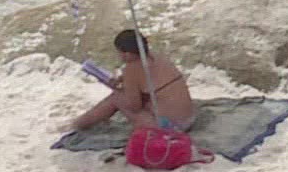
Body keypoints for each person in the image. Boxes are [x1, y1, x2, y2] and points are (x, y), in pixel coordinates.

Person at [66, 29, 195, 132]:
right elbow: (150, 82)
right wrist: (124, 80)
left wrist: (116, 87)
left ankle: (78, 124)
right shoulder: (155, 57)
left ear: (127, 53)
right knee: (126, 96)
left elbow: (134, 106)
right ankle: (84, 121)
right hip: (188, 118)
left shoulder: (132, 69)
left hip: (171, 128)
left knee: (116, 98)